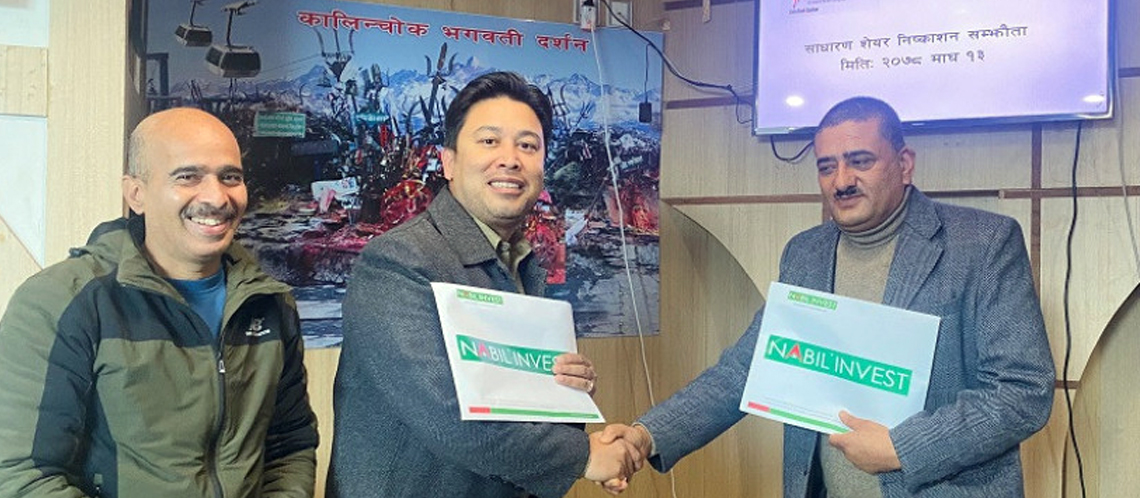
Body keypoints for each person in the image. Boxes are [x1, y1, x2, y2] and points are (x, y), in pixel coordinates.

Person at [600, 96, 1055, 497]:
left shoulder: (982, 243)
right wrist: (646, 436)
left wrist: (902, 447)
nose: (841, 181)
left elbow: (1021, 392)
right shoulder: (805, 254)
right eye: (826, 166)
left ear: (904, 163)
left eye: (860, 161)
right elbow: (746, 369)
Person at [327, 71, 638, 498]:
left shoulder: (524, 264)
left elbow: (516, 404)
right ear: (449, 162)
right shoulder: (398, 261)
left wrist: (567, 391)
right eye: (489, 141)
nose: (510, 159)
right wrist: (583, 456)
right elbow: (447, 416)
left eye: (528, 145)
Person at [0, 108, 319, 497]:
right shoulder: (61, 302)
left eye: (230, 177)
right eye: (188, 176)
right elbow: (23, 475)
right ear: (136, 194)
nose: (216, 196)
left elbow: (289, 447)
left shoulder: (269, 303)